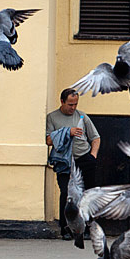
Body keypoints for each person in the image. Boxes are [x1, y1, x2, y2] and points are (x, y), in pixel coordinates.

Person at [45, 88, 100, 240]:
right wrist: (67, 131)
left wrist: (92, 156)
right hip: (65, 161)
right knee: (66, 193)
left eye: (75, 104)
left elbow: (95, 138)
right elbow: (48, 140)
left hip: (84, 158)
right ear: (62, 101)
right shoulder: (52, 117)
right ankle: (66, 228)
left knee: (88, 194)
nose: (73, 108)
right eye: (70, 104)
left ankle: (88, 227)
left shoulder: (82, 116)